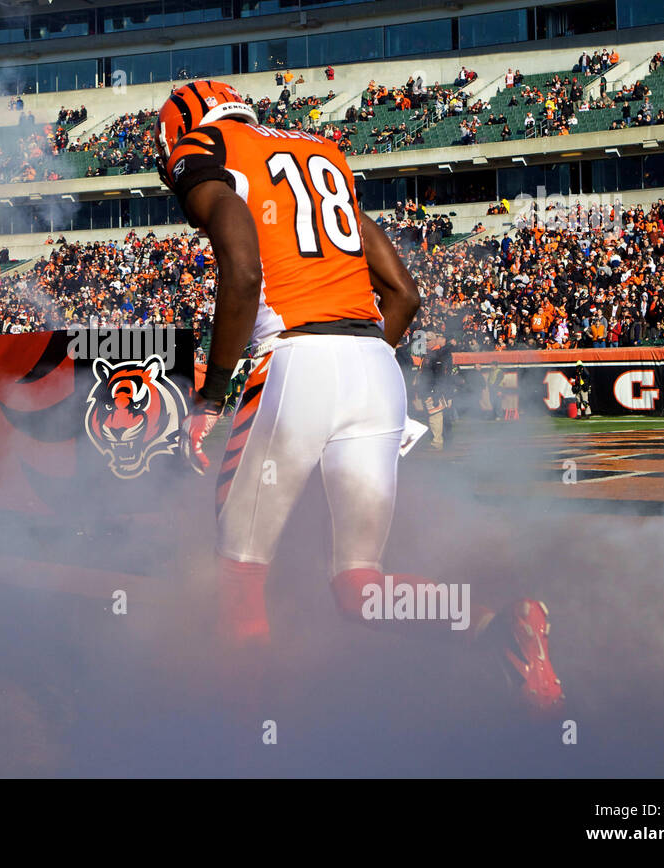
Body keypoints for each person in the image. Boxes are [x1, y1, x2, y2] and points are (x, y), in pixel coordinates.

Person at [155, 79, 562, 713]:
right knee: (360, 588)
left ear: (183, 128)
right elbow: (404, 293)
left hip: (293, 358)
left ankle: (249, 745)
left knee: (238, 577)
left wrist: (210, 399)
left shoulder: (208, 147)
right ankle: (493, 626)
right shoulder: (322, 151)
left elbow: (242, 269)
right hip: (375, 365)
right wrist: (358, 371)